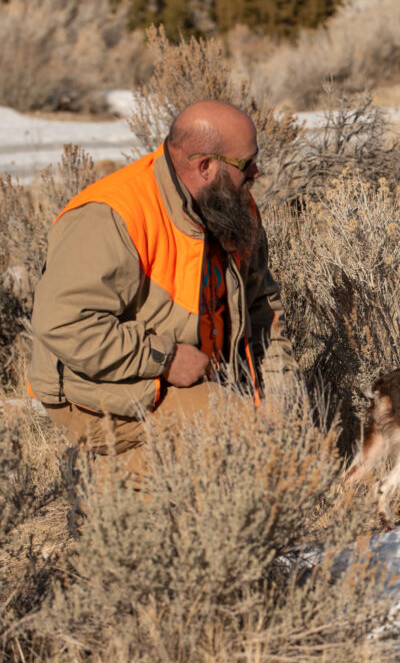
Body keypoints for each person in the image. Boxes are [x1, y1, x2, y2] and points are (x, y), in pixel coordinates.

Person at [27, 100, 296, 484]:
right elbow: (63, 324)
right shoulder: (111, 215)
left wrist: (278, 394)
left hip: (198, 380)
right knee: (240, 458)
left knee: (292, 453)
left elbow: (261, 306)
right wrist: (163, 358)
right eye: (246, 164)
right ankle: (102, 483)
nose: (256, 171)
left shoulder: (235, 205)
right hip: (102, 387)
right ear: (206, 166)